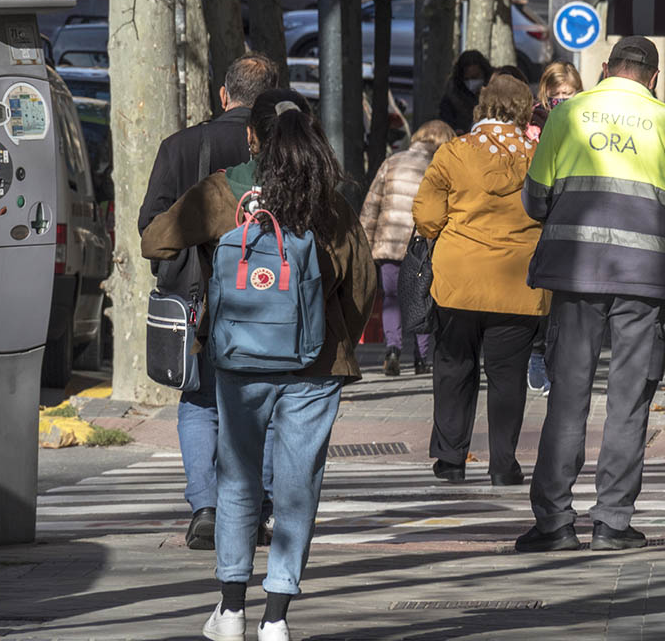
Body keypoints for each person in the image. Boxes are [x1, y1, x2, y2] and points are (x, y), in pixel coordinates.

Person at [141, 89, 377, 641]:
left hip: (241, 358)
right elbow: (361, 283)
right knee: (298, 487)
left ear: (252, 135)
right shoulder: (330, 198)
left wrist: (216, 254)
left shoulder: (226, 189)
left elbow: (155, 240)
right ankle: (276, 619)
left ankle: (229, 611)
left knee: (239, 480)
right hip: (318, 365)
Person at [517, 36, 665, 552]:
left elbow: (535, 201)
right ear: (652, 78)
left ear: (606, 69)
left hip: (577, 277)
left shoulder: (567, 115)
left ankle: (554, 524)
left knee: (568, 398)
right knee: (630, 402)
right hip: (644, 283)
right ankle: (612, 523)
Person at [137, 53, 278, 550]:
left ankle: (206, 505)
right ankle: (259, 506)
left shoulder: (180, 146)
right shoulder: (287, 148)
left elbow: (149, 227)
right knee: (264, 402)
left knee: (199, 401)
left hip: (198, 302)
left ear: (224, 95)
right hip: (269, 300)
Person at [413, 75, 550, 487]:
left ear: (483, 107)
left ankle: (451, 458)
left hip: (459, 279)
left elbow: (427, 216)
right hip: (518, 282)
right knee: (508, 376)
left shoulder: (454, 152)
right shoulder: (538, 155)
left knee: (454, 367)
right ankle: (503, 463)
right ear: (524, 109)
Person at [359, 120, 455, 376]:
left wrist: (365, 242)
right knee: (422, 300)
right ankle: (421, 359)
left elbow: (372, 205)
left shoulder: (392, 161)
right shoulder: (440, 166)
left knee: (391, 300)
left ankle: (392, 349)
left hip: (388, 244)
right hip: (422, 249)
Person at [525, 61, 583, 395]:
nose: (561, 100)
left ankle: (555, 359)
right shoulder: (534, 125)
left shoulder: (587, 119)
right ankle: (538, 353)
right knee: (542, 292)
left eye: (568, 94)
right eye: (556, 95)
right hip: (542, 215)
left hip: (574, 213)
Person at [438, 50, 493, 136]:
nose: (471, 82)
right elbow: (445, 121)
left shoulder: (494, 95)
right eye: (467, 79)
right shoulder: (451, 98)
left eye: (475, 77)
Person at [529, 61, 583, 138]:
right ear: (545, 92)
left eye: (567, 93)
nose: (560, 98)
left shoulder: (586, 116)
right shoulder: (535, 118)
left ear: (578, 91)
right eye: (554, 94)